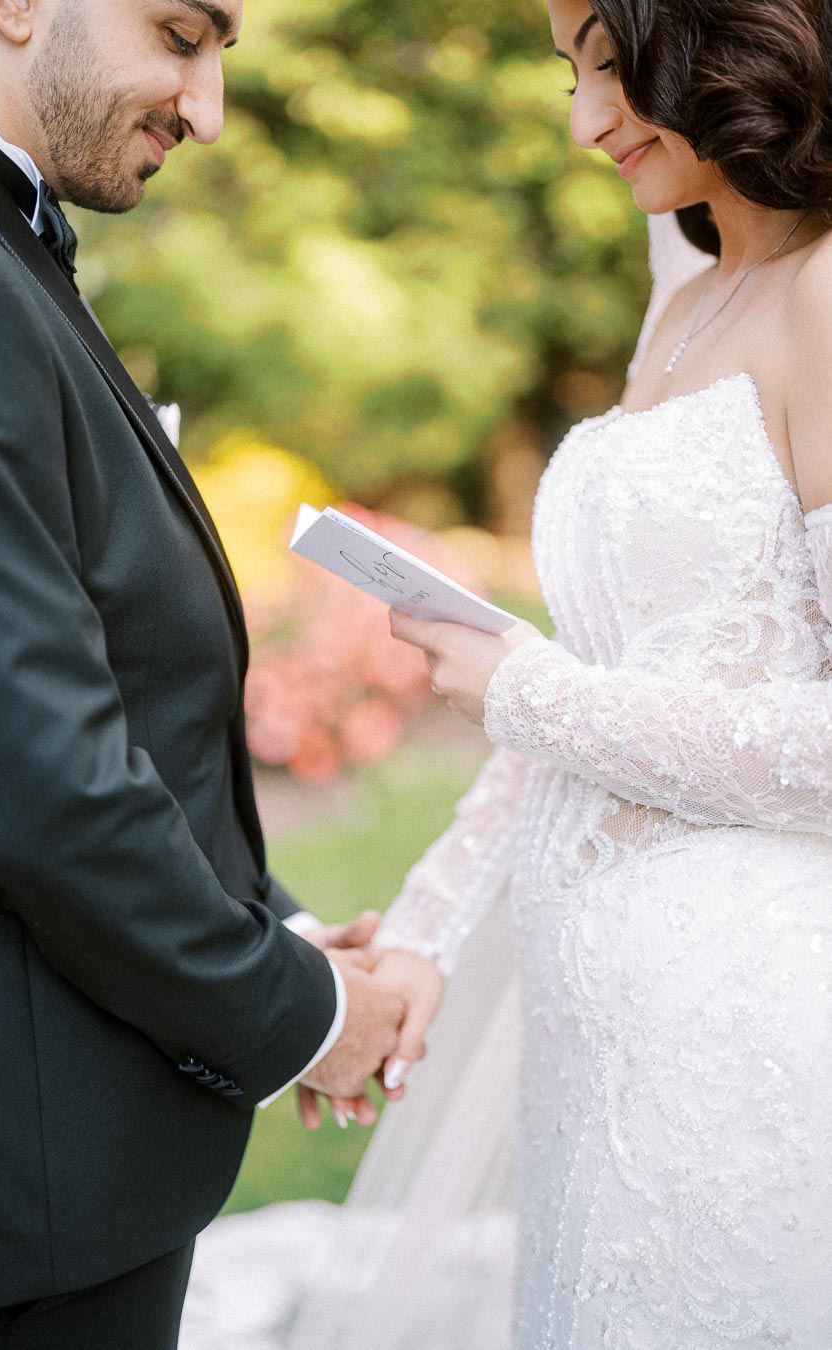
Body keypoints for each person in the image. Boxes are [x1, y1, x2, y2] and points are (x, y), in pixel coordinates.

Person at [292, 0, 832, 1344]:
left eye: (612, 60)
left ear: (733, 39)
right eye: (569, 70)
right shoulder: (687, 296)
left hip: (750, 1039)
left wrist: (525, 686)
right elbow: (585, 687)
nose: (587, 119)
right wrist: (421, 932)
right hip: (598, 1049)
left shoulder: (829, 295)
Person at [0, 2, 414, 1347]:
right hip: (12, 1206)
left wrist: (275, 920)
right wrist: (301, 1010)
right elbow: (42, 779)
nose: (205, 110)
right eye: (181, 35)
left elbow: (88, 686)